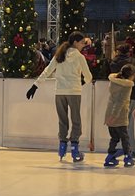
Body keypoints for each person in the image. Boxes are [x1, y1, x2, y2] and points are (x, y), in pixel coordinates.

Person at [26, 31, 94, 162]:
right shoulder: (79, 57)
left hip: (60, 92)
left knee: (62, 120)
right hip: (74, 92)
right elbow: (89, 77)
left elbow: (47, 70)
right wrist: (82, 82)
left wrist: (35, 85)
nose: (82, 46)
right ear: (75, 42)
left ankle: (62, 147)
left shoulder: (59, 55)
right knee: (76, 120)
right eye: (81, 43)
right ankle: (74, 149)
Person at [108, 43, 135, 156]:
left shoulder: (113, 63)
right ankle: (130, 149)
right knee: (128, 124)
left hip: (116, 98)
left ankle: (116, 149)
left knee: (118, 125)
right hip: (132, 96)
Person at [104, 64, 135, 168]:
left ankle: (110, 156)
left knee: (114, 138)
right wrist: (114, 116)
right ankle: (128, 157)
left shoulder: (114, 82)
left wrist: (110, 116)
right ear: (131, 75)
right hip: (120, 116)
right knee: (125, 138)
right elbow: (120, 102)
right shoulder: (126, 86)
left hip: (109, 113)